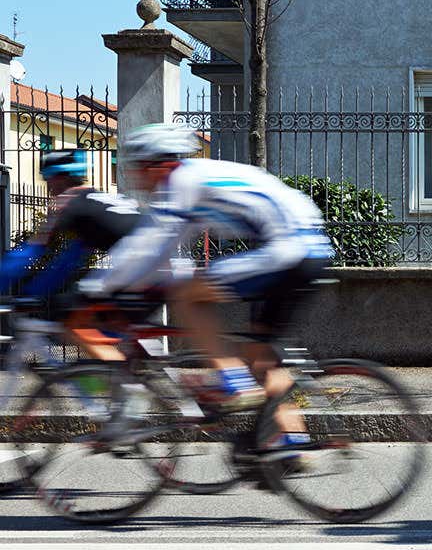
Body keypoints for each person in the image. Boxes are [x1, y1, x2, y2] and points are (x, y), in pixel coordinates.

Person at [81, 124, 333, 453]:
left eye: (137, 166)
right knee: (263, 358)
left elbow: (148, 245)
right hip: (310, 249)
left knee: (185, 296)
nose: (132, 174)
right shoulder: (200, 179)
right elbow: (168, 247)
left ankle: (233, 380)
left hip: (286, 250)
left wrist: (98, 285)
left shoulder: (181, 181)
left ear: (159, 164)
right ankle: (292, 444)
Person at [0, 149, 142, 363]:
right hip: (152, 264)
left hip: (138, 265)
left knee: (72, 320)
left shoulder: (65, 204)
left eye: (48, 179)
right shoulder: (96, 201)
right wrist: (36, 292)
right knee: (101, 322)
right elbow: (70, 258)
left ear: (60, 177)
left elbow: (32, 251)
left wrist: (19, 289)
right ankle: (126, 377)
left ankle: (130, 390)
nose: (48, 187)